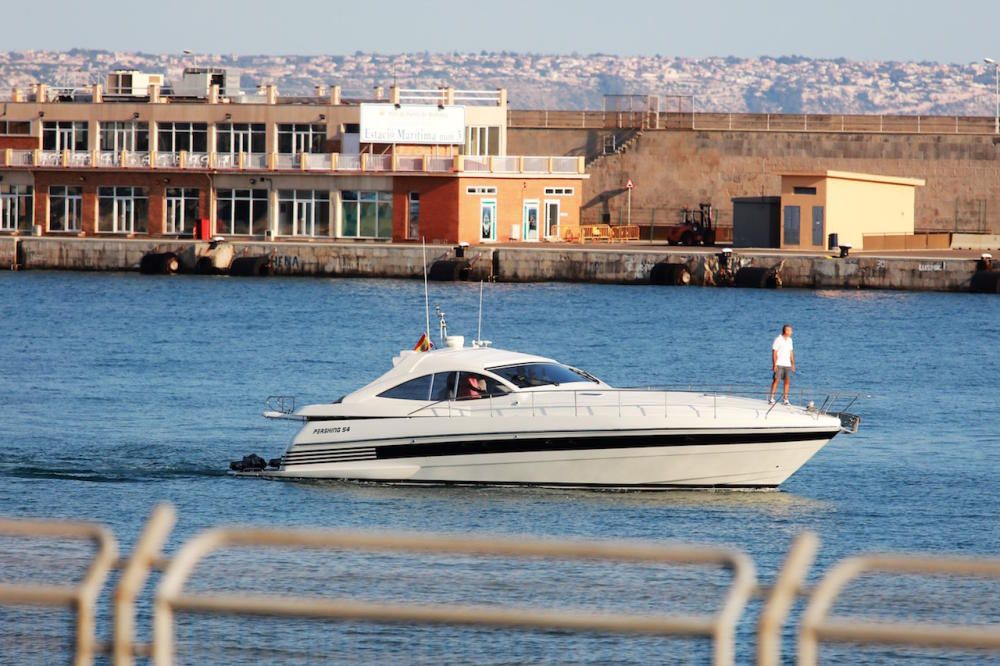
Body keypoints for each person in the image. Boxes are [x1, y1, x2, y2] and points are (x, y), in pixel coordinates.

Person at [768, 324, 795, 405]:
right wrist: (774, 364)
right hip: (779, 363)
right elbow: (774, 352)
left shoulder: (790, 340)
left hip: (787, 364)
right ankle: (771, 398)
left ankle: (785, 399)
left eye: (791, 330)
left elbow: (791, 352)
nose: (791, 332)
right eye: (789, 330)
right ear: (785, 331)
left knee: (787, 381)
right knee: (776, 380)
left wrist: (793, 363)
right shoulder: (778, 339)